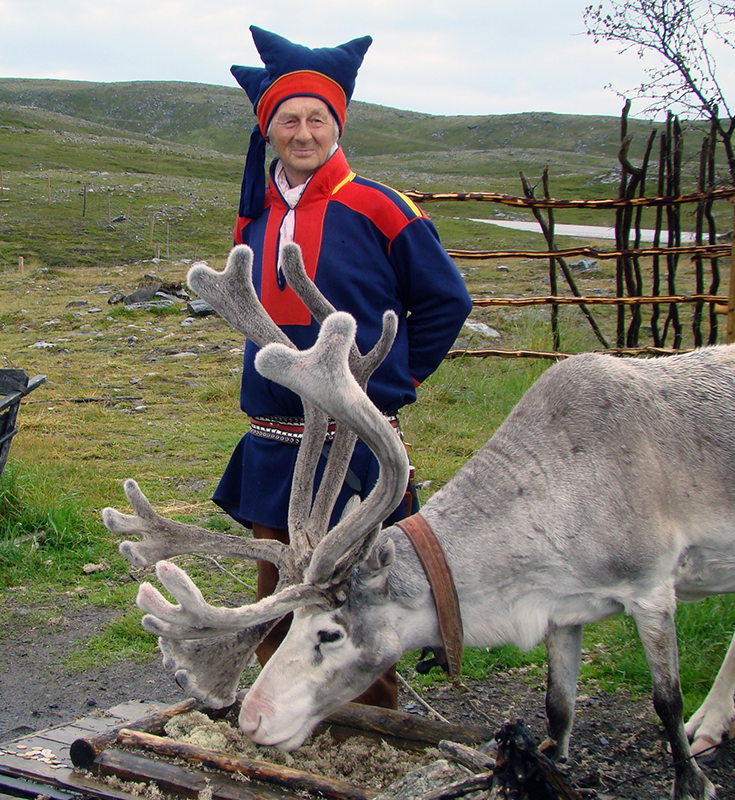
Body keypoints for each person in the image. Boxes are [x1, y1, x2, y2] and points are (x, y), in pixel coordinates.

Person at [212, 26, 473, 710]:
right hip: (275, 440)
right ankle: (288, 720)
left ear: (337, 125)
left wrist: (393, 382)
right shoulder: (258, 219)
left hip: (351, 443)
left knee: (356, 604)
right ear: (269, 131)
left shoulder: (381, 206)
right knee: (277, 599)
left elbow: (446, 301)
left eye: (317, 119)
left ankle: (372, 730)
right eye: (289, 120)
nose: (303, 133)